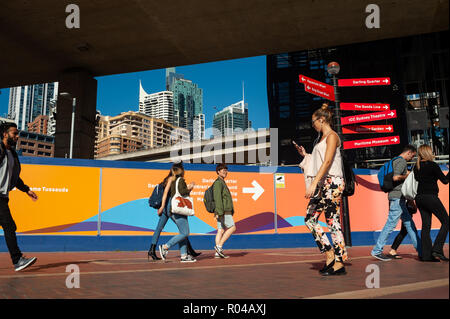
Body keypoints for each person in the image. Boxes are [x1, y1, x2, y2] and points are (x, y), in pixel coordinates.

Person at [296, 103, 348, 276]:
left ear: (322, 119)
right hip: (322, 184)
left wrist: (313, 184)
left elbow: (327, 162)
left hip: (332, 182)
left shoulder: (332, 136)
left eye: (313, 122)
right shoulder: (320, 139)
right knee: (310, 218)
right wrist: (305, 155)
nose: (313, 126)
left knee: (333, 221)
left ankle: (339, 262)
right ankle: (329, 252)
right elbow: (319, 161)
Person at [371, 145, 421, 261]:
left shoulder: (394, 160)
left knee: (409, 224)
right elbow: (395, 178)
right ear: (408, 152)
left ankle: (421, 249)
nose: (411, 158)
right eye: (412, 156)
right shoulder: (401, 161)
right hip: (397, 198)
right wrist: (407, 175)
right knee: (390, 225)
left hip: (398, 198)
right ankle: (377, 250)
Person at [0, 122, 39, 271]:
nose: (17, 136)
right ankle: (17, 260)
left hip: (3, 196)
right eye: (14, 133)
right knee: (9, 226)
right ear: (5, 134)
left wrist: (26, 190)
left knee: (10, 226)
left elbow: (15, 178)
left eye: (17, 134)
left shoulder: (12, 154)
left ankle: (17, 260)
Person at [147, 163, 201, 260]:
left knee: (162, 228)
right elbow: (165, 194)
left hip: (168, 206)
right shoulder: (173, 179)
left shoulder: (169, 179)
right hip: (171, 206)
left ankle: (152, 250)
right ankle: (167, 248)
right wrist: (162, 206)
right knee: (183, 231)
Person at [413, 145, 449, 262]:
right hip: (430, 197)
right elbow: (445, 181)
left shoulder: (416, 166)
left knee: (426, 225)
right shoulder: (433, 165)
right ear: (429, 153)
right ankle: (437, 249)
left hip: (419, 198)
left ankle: (426, 255)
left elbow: (419, 180)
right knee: (446, 221)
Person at [158, 166, 197, 262]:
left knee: (182, 233)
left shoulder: (173, 180)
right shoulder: (181, 180)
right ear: (181, 171)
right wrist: (190, 187)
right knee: (185, 232)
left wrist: (162, 207)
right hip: (179, 209)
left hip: (173, 209)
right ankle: (165, 247)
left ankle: (184, 256)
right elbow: (183, 192)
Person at [212, 163, 236, 259]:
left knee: (221, 230)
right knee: (232, 228)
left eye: (226, 170)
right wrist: (219, 212)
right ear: (218, 171)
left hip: (221, 211)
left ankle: (218, 253)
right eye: (223, 170)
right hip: (223, 211)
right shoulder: (218, 183)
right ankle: (219, 247)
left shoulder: (222, 182)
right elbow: (217, 198)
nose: (225, 172)